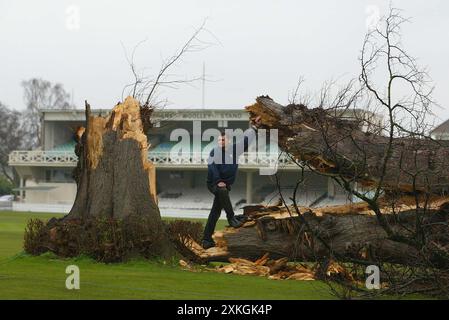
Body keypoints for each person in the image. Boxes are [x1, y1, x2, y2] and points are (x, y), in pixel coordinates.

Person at [202, 116, 262, 249]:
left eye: (223, 140)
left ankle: (206, 240)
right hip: (213, 184)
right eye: (219, 140)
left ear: (228, 141)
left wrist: (254, 127)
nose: (220, 142)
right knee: (222, 192)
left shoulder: (235, 149)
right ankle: (231, 218)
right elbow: (212, 167)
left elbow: (246, 140)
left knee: (215, 212)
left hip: (225, 185)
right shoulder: (215, 151)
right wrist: (218, 181)